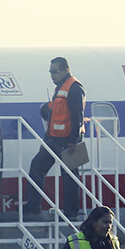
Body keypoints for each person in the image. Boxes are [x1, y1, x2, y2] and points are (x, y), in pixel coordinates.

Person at [25, 57, 85, 219]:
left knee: (70, 177)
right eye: (50, 72)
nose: (52, 75)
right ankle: (33, 206)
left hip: (69, 141)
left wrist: (74, 140)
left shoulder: (74, 88)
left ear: (66, 70)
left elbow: (77, 116)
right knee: (36, 166)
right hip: (53, 139)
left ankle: (71, 212)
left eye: (55, 72)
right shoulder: (60, 88)